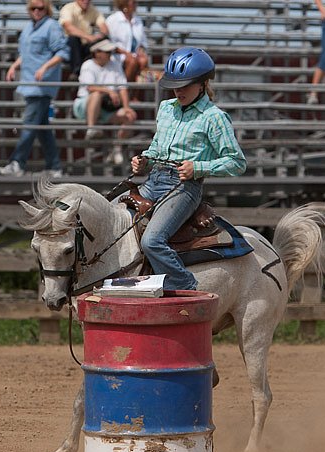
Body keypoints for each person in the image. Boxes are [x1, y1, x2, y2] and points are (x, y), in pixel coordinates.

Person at [130, 47, 246, 291]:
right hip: (154, 180)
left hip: (184, 188)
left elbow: (236, 162)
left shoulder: (214, 117)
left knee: (152, 241)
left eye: (184, 85)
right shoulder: (166, 109)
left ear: (202, 84)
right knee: (112, 215)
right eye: (174, 85)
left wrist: (198, 168)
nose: (178, 90)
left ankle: (186, 287)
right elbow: (156, 147)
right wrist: (144, 160)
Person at [0, 0, 70, 179]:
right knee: (42, 127)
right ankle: (54, 167)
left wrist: (45, 68)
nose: (37, 11)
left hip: (42, 86)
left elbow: (62, 52)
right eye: (33, 8)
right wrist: (14, 66)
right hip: (29, 84)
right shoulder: (29, 27)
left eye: (41, 8)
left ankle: (17, 162)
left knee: (29, 125)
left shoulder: (51, 26)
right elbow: (26, 53)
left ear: (47, 9)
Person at [72, 39, 137, 165]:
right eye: (107, 51)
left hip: (106, 108)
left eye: (110, 51)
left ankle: (117, 149)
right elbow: (90, 88)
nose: (110, 54)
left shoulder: (115, 65)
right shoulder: (88, 65)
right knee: (96, 95)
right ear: (97, 53)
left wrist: (126, 107)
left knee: (130, 116)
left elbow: (123, 87)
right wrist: (109, 92)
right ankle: (91, 128)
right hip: (84, 105)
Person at [59, 0, 109, 76]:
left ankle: (95, 71)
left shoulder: (93, 10)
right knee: (73, 39)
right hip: (71, 47)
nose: (86, 1)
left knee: (103, 41)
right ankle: (77, 72)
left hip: (85, 46)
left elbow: (104, 27)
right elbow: (68, 27)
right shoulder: (68, 8)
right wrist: (89, 37)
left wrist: (101, 35)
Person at [105, 0, 148, 82]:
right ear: (124, 4)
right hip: (117, 55)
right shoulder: (113, 20)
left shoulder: (138, 20)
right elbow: (109, 42)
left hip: (133, 54)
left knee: (143, 60)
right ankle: (125, 88)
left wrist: (141, 49)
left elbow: (143, 41)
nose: (136, 5)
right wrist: (126, 53)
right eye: (133, 2)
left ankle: (136, 92)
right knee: (132, 61)